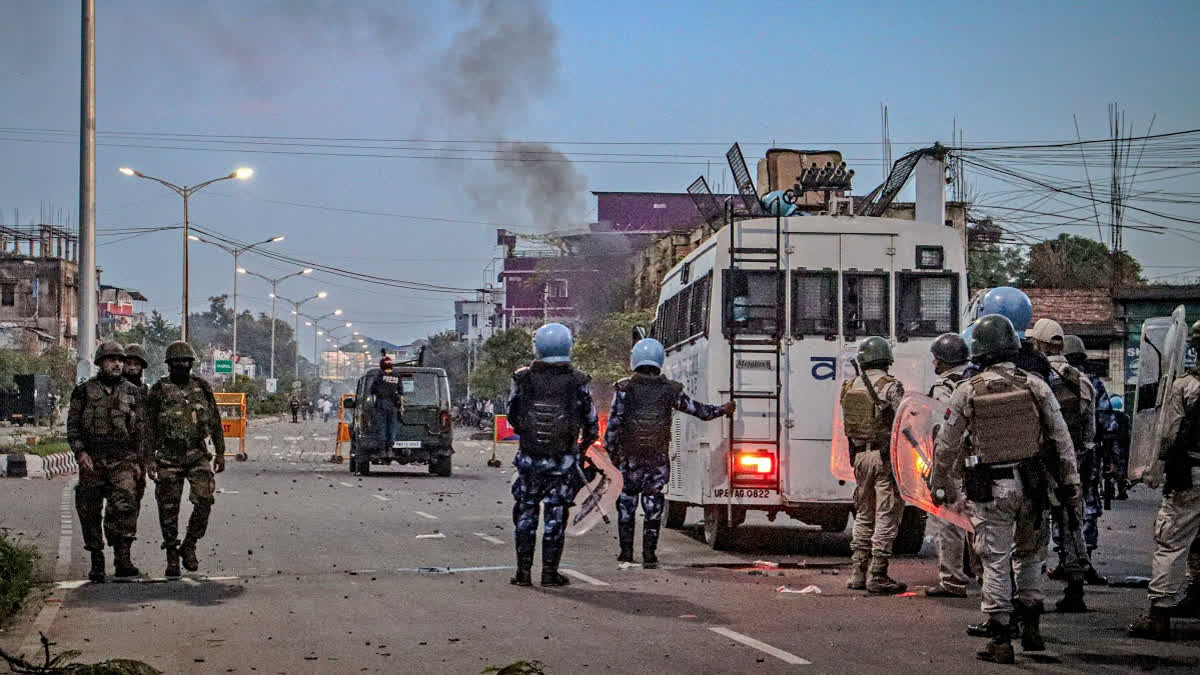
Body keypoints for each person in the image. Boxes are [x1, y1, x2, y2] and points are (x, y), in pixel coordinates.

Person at [930, 314, 1080, 664]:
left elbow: (947, 445)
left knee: (995, 560)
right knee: (1031, 555)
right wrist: (1071, 484)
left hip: (991, 488)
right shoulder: (1035, 384)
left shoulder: (968, 389)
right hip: (1034, 485)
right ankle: (1032, 629)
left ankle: (1000, 638)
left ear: (979, 350)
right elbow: (1061, 439)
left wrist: (938, 484)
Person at [605, 338, 734, 568]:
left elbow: (613, 426)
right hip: (657, 458)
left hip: (630, 459)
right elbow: (698, 411)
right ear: (660, 361)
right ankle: (649, 555)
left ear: (634, 359)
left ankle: (625, 552)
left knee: (627, 505)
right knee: (653, 506)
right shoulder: (671, 390)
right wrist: (722, 410)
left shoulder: (624, 389)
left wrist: (614, 455)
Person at [506, 323, 599, 587]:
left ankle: (522, 573)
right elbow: (591, 422)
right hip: (562, 461)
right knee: (555, 517)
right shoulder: (579, 381)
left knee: (525, 514)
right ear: (568, 347)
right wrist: (580, 449)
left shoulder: (522, 378)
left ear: (537, 347)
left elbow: (513, 415)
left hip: (529, 460)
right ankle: (549, 573)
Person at [1128, 320, 1200, 640]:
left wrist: (1154, 470)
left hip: (1192, 474)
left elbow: (1168, 435)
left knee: (1171, 540)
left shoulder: (1185, 386)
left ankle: (1159, 615)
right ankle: (1195, 596)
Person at [1028, 319, 1100, 610]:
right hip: (1074, 460)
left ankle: (1028, 592)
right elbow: (1090, 427)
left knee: (1034, 525)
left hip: (1042, 460)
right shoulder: (1081, 379)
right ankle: (1075, 586)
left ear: (1041, 344)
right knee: (1072, 522)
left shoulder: (1035, 376)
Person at [68, 341, 148, 582]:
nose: (117, 364)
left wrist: (141, 460)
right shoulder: (84, 391)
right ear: (100, 363)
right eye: (112, 360)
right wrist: (80, 452)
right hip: (93, 459)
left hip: (123, 459)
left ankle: (123, 558)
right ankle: (96, 558)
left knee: (124, 506)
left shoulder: (133, 392)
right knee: (89, 509)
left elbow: (143, 429)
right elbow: (72, 425)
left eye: (120, 360)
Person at [145, 341, 226, 577]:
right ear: (169, 364)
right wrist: (149, 458)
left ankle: (189, 544)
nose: (181, 365)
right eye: (176, 362)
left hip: (196, 454)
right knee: (168, 508)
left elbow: (215, 420)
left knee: (204, 500)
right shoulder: (159, 389)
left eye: (185, 361)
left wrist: (220, 451)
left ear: (191, 364)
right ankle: (171, 553)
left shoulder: (202, 387)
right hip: (168, 456)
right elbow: (148, 426)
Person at [839, 336, 907, 595]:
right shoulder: (891, 387)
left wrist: (852, 458)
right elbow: (904, 420)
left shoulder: (849, 386)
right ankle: (878, 573)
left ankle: (858, 572)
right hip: (883, 457)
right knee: (887, 513)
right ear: (887, 360)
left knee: (864, 513)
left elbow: (847, 428)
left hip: (859, 456)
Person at [924, 333, 973, 598]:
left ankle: (952, 581)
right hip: (980, 461)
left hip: (954, 462)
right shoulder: (976, 379)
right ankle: (988, 578)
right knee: (980, 521)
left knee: (949, 520)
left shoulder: (944, 386)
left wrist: (937, 470)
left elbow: (943, 430)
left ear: (943, 361)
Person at [1064, 333, 1109, 572]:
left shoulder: (1053, 379)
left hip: (1061, 455)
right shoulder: (1093, 383)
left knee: (1063, 506)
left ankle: (1067, 557)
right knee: (1088, 505)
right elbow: (1106, 424)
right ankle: (1085, 556)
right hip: (1088, 454)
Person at [370, 356, 403, 452]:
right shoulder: (397, 375)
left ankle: (382, 447)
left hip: (381, 403)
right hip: (393, 405)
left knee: (382, 425)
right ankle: (390, 446)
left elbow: (372, 390)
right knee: (392, 425)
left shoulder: (379, 375)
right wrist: (401, 406)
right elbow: (401, 392)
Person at [1108, 395, 1132, 500]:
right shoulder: (1125, 418)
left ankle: (1110, 493)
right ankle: (1122, 492)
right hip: (1123, 447)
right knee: (1121, 471)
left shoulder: (1109, 418)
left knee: (1110, 470)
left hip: (1112, 447)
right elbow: (1126, 435)